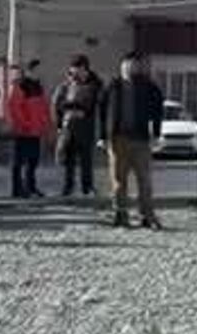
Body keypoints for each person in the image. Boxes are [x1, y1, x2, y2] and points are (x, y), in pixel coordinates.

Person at [100, 53, 164, 229]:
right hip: (118, 139)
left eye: (133, 65)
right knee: (118, 179)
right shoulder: (112, 87)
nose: (130, 68)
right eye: (126, 65)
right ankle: (120, 214)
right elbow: (102, 112)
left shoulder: (148, 87)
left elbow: (158, 111)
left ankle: (147, 215)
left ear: (138, 67)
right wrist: (102, 137)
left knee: (144, 180)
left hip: (141, 139)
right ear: (121, 67)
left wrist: (157, 134)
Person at [50, 56, 101, 197]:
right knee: (69, 160)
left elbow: (91, 105)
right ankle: (68, 187)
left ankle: (87, 187)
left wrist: (79, 109)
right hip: (68, 128)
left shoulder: (94, 85)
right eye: (72, 72)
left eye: (77, 71)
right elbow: (57, 104)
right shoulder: (66, 86)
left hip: (86, 128)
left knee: (86, 160)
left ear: (85, 69)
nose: (74, 75)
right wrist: (60, 122)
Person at [4, 66, 50, 199]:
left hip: (36, 131)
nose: (38, 73)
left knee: (33, 161)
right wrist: (25, 124)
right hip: (23, 131)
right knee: (19, 161)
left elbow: (43, 107)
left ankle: (30, 186)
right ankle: (17, 188)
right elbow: (15, 107)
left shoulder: (38, 87)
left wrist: (44, 124)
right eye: (35, 70)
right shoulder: (21, 86)